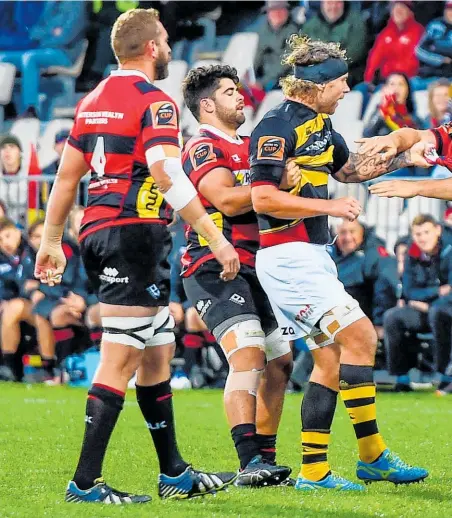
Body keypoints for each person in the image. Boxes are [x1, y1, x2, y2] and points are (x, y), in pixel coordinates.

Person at [35, 8, 240, 505]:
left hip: (110, 230)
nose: (169, 48)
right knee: (122, 355)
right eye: (166, 41)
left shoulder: (93, 100)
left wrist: (49, 239)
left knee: (156, 351)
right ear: (151, 48)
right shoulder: (156, 102)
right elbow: (166, 174)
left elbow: (67, 176)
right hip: (130, 234)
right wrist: (214, 235)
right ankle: (84, 482)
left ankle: (173, 472)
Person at [249, 34, 428, 491]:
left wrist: (407, 156)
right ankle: (371, 456)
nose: (348, 90)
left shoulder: (321, 127)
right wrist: (331, 209)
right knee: (363, 335)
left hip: (310, 257)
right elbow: (263, 196)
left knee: (329, 362)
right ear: (316, 84)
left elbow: (350, 171)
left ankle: (314, 472)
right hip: (288, 258)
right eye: (342, 83)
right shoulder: (275, 125)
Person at [181, 64, 295, 486]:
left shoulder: (251, 145)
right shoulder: (201, 147)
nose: (240, 96)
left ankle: (266, 461)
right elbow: (227, 200)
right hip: (215, 265)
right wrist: (274, 184)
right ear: (207, 104)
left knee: (280, 361)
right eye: (230, 92)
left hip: (258, 265)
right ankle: (249, 463)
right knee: (248, 354)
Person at [383, 214, 452, 392]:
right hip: (424, 308)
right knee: (393, 317)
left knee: (439, 311)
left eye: (426, 232)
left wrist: (429, 301)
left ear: (437, 230)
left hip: (443, 308)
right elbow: (408, 290)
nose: (422, 238)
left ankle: (444, 375)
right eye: (418, 234)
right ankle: (401, 379)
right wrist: (437, 292)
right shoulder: (412, 253)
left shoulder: (450, 249)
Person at [302, 0, 367, 87]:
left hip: (350, 75)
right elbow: (304, 53)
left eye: (338, 2)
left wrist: (331, 67)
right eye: (329, 3)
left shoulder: (357, 23)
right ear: (322, 4)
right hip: (316, 76)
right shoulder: (309, 26)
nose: (333, 7)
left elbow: (355, 52)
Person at [253, 1, 299, 92]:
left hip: (284, 82)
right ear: (268, 13)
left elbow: (285, 63)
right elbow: (257, 57)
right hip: (262, 80)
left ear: (287, 12)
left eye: (281, 9)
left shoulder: (294, 32)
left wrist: (262, 83)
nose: (277, 13)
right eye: (273, 10)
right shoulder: (262, 30)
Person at [415, 1, 452, 90]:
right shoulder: (435, 25)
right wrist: (440, 60)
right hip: (427, 75)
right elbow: (418, 50)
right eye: (449, 9)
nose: (451, 13)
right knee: (408, 85)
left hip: (449, 78)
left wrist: (434, 48)